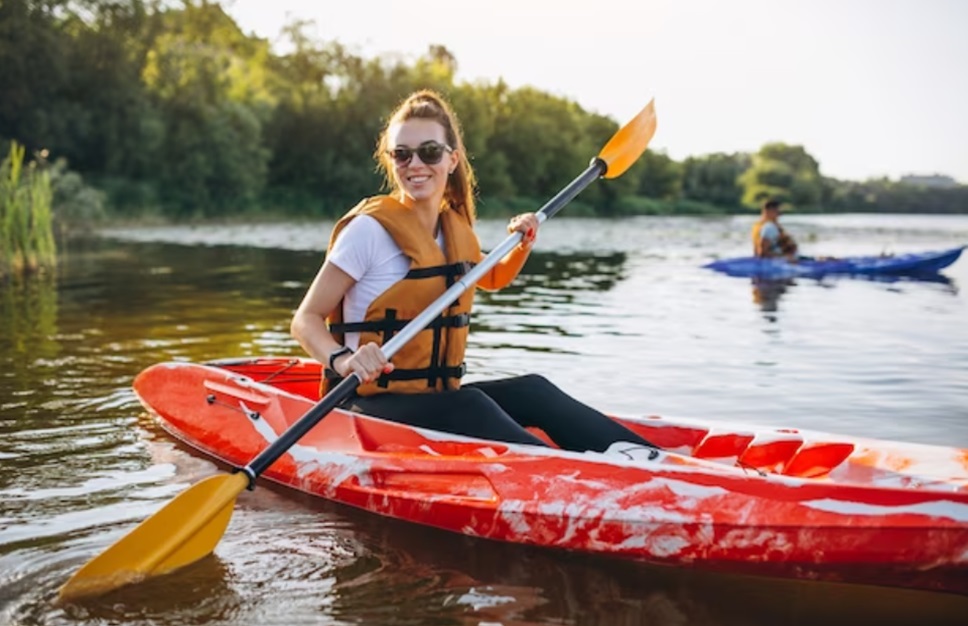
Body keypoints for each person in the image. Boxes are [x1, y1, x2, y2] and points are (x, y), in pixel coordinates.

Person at [290, 89, 657, 455]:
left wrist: (521, 244)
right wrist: (343, 359)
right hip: (365, 406)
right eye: (401, 154)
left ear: (452, 159)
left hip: (434, 402)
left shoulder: (452, 230)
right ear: (391, 162)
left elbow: (494, 277)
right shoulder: (368, 231)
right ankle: (582, 477)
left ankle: (660, 463)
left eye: (429, 151)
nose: (415, 163)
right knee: (470, 404)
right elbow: (305, 320)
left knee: (532, 389)